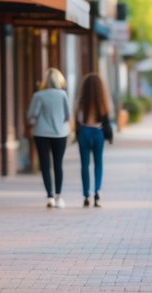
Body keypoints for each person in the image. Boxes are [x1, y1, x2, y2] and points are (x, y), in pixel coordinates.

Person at [27, 68, 71, 208]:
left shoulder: (38, 95)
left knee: (45, 166)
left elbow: (31, 115)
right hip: (60, 134)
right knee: (58, 164)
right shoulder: (63, 95)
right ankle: (59, 197)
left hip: (41, 133)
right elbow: (67, 116)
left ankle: (50, 196)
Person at [74, 72, 112, 208]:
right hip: (98, 133)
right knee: (98, 164)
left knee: (84, 165)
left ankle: (86, 195)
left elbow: (77, 118)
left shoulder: (81, 102)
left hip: (84, 132)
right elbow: (107, 117)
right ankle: (97, 192)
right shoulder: (102, 103)